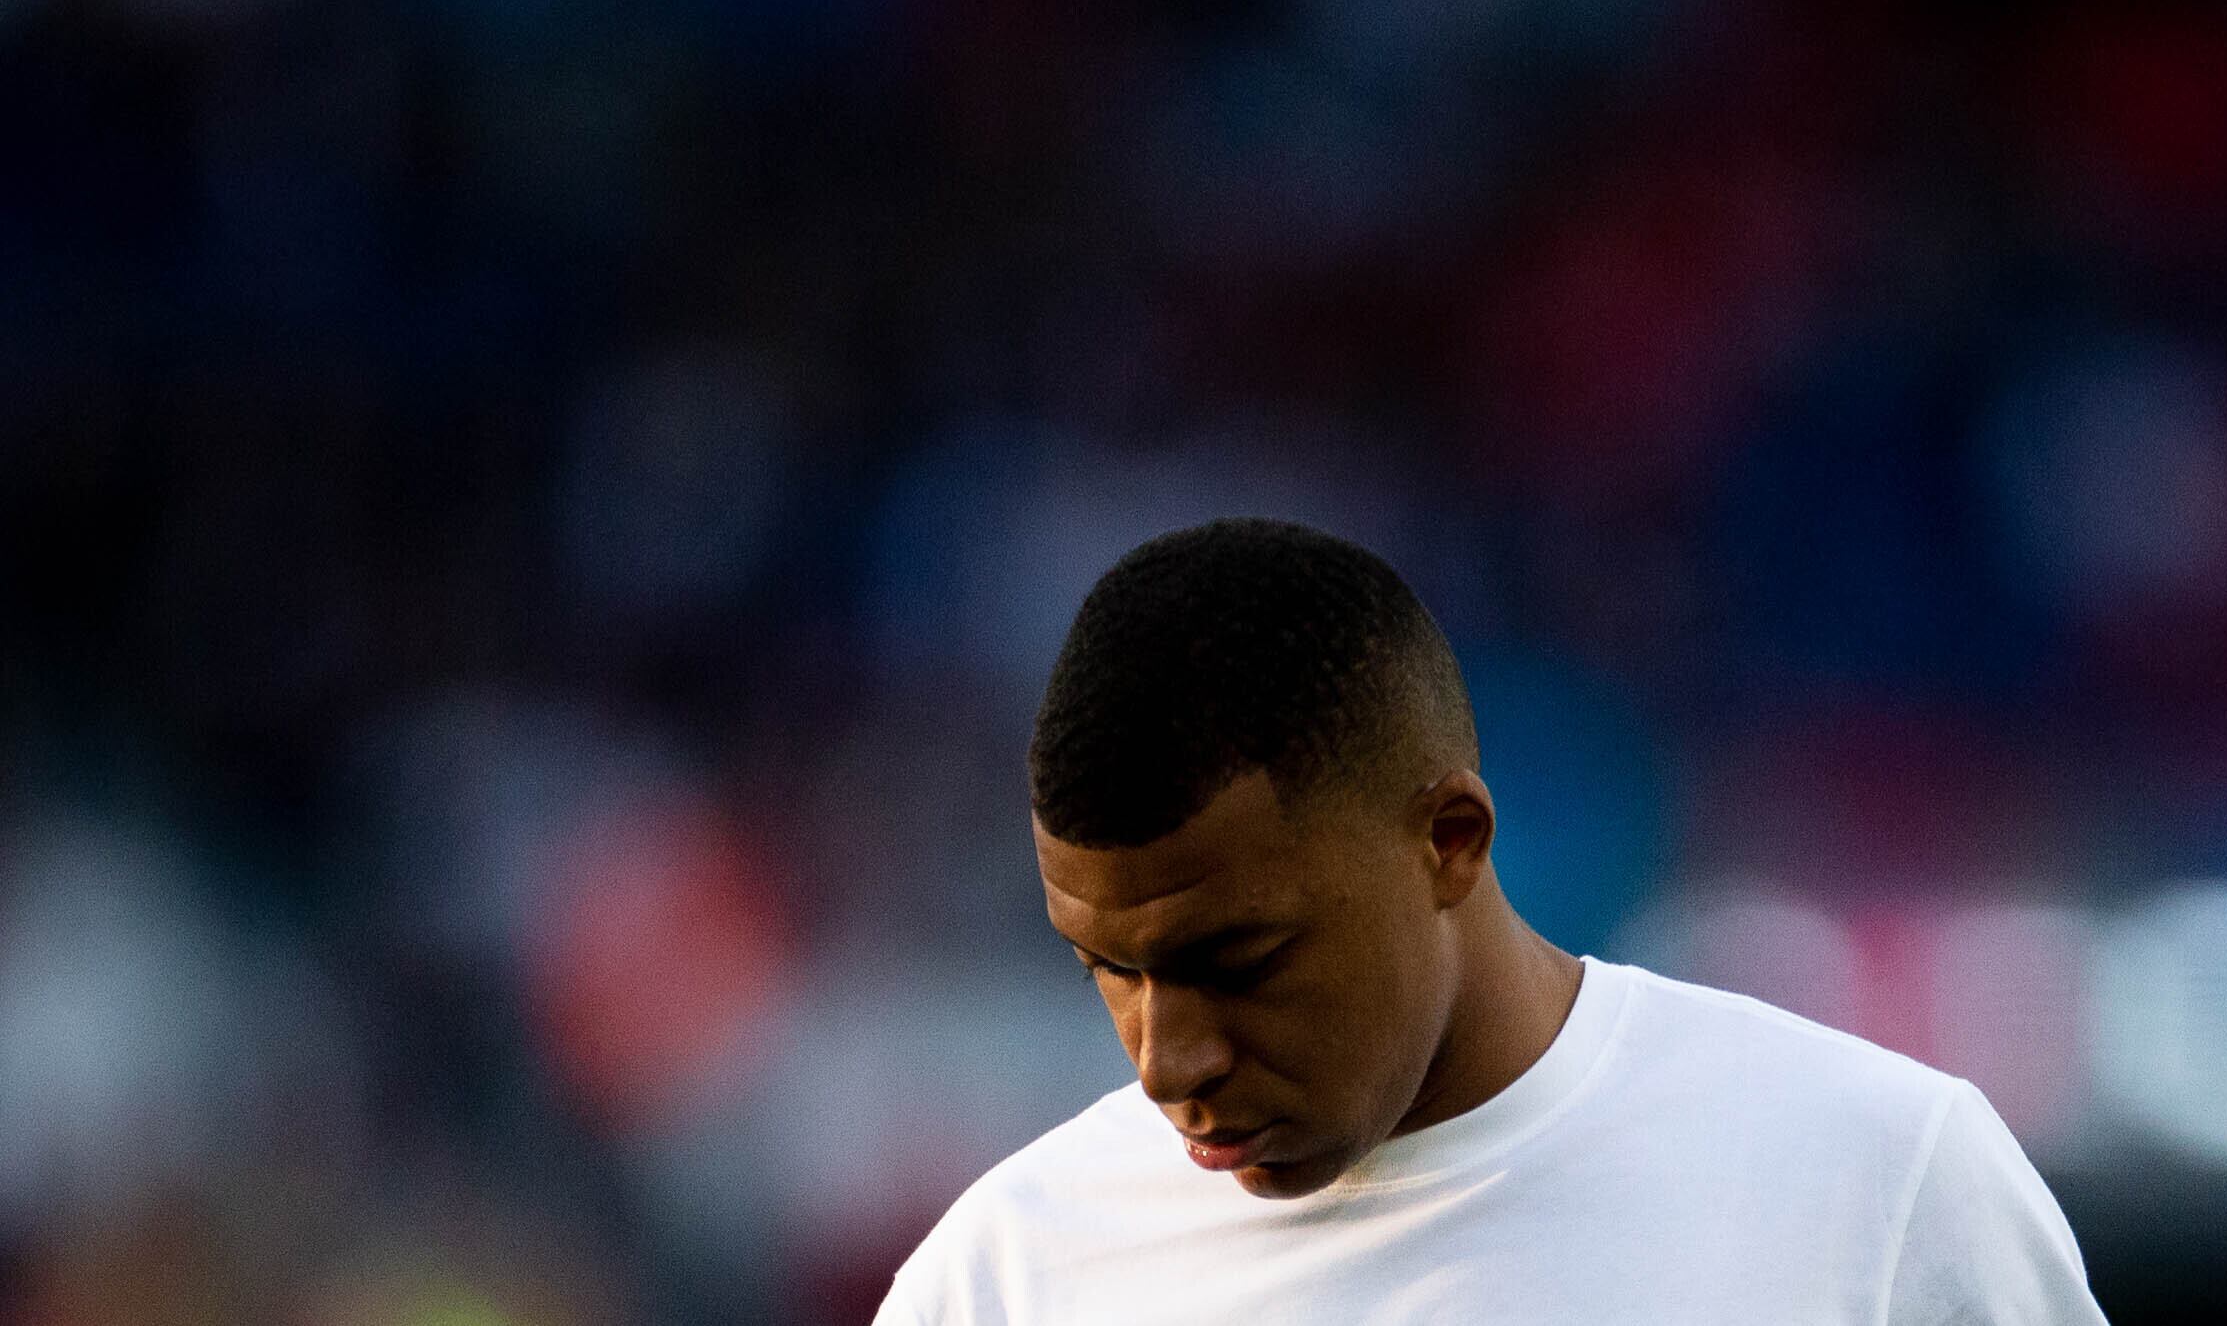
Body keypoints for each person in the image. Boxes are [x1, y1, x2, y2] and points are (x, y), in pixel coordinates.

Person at [876, 517, 2107, 1324]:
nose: (1167, 1058)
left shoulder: (1879, 1181)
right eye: (1111, 968)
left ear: (1450, 839)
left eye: (1238, 960)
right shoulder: (1005, 1278)